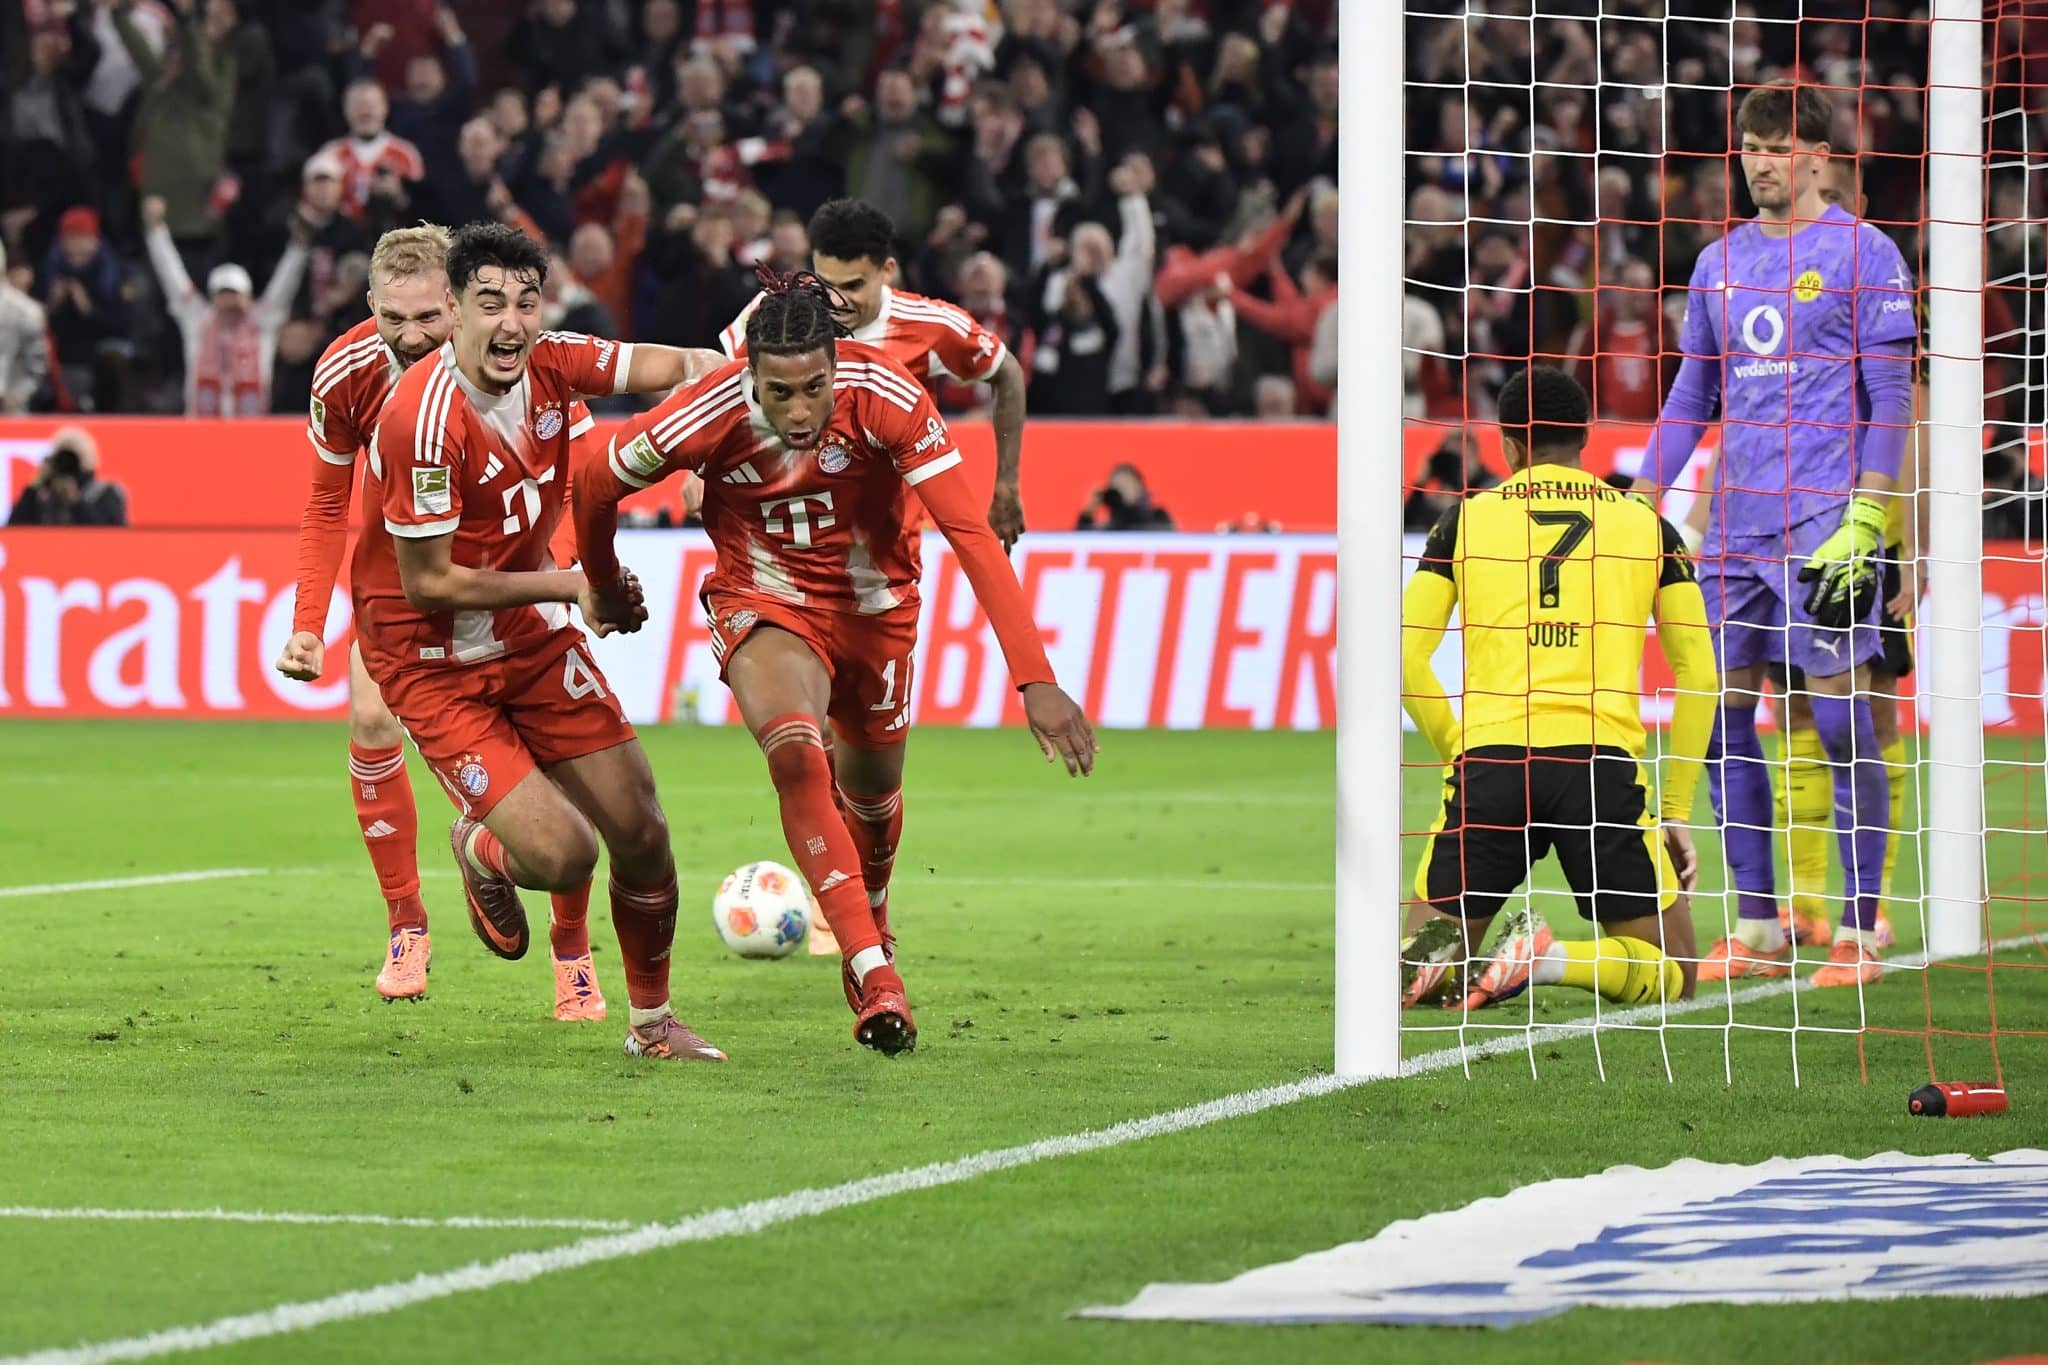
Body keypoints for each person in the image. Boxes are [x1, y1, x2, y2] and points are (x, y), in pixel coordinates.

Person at [574, 268, 1097, 1056]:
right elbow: (595, 479)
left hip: (878, 612)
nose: (799, 409)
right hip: (767, 601)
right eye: (779, 392)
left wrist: (1035, 675)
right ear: (748, 372)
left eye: (814, 387)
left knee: (875, 804)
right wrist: (604, 583)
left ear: (836, 364)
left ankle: (870, 924)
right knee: (795, 754)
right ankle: (874, 973)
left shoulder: (885, 393)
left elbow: (969, 534)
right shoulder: (708, 408)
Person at [357, 222, 726, 1063]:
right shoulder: (422, 418)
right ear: (452, 309)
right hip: (432, 662)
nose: (512, 324)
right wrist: (577, 586)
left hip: (528, 638)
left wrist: (708, 444)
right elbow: (431, 585)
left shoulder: (557, 362)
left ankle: (653, 1025)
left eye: (527, 302)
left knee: (643, 831)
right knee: (567, 854)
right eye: (490, 303)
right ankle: (479, 840)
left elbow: (691, 367)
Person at [274, 226, 616, 1018]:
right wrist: (306, 620)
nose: (410, 335)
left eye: (428, 317)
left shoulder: (525, 359)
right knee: (368, 718)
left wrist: (570, 580)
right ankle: (406, 927)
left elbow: (575, 477)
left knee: (562, 767)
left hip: (515, 571)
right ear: (370, 306)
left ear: (460, 305)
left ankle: (572, 953)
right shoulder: (347, 372)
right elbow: (329, 499)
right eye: (392, 317)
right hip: (405, 588)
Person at [1636, 84, 1916, 988]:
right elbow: (1692, 396)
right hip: (1732, 532)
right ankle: (1757, 924)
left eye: (1777, 146)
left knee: (1839, 720)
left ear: (1820, 158)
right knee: (1718, 719)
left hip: (1825, 524)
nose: (1759, 161)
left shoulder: (1865, 253)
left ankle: (1862, 928)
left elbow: (1892, 398)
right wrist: (1647, 494)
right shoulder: (1717, 264)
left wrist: (1871, 515)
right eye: (1749, 147)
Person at [1400, 367, 1714, 1010]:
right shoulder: (1648, 526)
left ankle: (1516, 959)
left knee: (1418, 974)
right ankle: (1549, 962)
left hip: (1492, 762)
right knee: (1676, 975)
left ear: (1507, 443)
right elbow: (1699, 675)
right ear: (1586, 437)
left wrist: (1459, 746)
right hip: (1599, 768)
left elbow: (1405, 658)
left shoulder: (1463, 522)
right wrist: (1676, 808)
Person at [719, 199, 1030, 554]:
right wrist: (700, 469)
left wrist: (1007, 483)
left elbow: (1007, 373)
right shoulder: (777, 316)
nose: (837, 301)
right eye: (826, 283)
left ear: (887, 271)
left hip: (883, 558)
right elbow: (717, 379)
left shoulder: (931, 326)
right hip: (785, 541)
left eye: (853, 286)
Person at [142, 194, 307, 417]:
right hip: (200, 434)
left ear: (248, 297)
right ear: (212, 298)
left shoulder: (262, 323)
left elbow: (285, 283)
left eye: (235, 294)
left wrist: (299, 246)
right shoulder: (197, 320)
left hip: (253, 435)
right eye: (223, 294)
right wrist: (156, 231)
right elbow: (170, 273)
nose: (229, 302)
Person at [7, 427, 127, 526]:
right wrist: (35, 486)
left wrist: (76, 502)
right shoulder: (42, 498)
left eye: (73, 458)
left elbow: (112, 533)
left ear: (87, 459)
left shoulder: (106, 493)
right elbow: (15, 529)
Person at [1075, 463, 1173, 530]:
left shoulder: (1158, 516)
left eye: (1126, 484)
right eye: (1116, 486)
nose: (1122, 490)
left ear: (1139, 486)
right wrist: (1088, 512)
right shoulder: (1108, 528)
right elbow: (1079, 545)